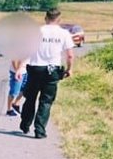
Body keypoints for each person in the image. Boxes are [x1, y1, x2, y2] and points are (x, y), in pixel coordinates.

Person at [20, 8, 74, 139]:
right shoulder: (64, 34)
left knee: (30, 98)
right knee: (46, 101)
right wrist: (69, 69)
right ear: (59, 19)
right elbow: (70, 55)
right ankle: (39, 130)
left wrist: (20, 66)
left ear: (46, 18)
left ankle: (25, 124)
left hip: (35, 69)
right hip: (52, 70)